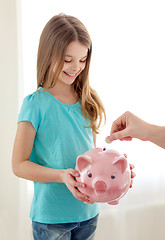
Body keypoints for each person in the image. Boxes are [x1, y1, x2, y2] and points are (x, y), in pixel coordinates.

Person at [12, 14, 134, 240]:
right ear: (49, 55)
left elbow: (93, 157)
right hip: (51, 218)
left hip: (88, 213)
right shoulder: (35, 104)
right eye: (67, 60)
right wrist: (61, 175)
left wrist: (116, 168)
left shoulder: (88, 99)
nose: (76, 67)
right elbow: (19, 165)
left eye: (82, 59)